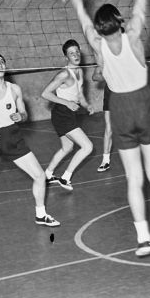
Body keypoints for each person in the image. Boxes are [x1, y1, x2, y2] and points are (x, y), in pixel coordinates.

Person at [67, 0, 150, 257]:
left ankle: (143, 238)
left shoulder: (97, 45)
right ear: (118, 21)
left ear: (98, 27)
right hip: (144, 103)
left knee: (134, 178)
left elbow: (80, 14)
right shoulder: (132, 37)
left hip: (119, 108)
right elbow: (142, 0)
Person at [0, 52, 60, 241]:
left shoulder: (14, 89)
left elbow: (24, 113)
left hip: (13, 138)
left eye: (1, 62)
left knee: (40, 176)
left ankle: (41, 214)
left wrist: (21, 117)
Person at [40, 39, 96, 190]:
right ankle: (65, 178)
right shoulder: (64, 74)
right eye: (72, 53)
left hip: (69, 113)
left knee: (67, 147)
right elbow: (45, 93)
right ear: (66, 57)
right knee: (87, 146)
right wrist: (66, 103)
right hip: (62, 113)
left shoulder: (80, 71)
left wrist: (87, 105)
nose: (76, 55)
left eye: (77, 51)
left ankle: (47, 174)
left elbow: (79, 96)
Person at [91, 59, 113, 172]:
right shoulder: (104, 59)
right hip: (110, 94)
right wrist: (107, 76)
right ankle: (105, 160)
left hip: (125, 93)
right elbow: (95, 76)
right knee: (109, 128)